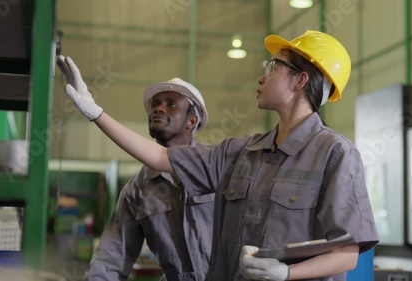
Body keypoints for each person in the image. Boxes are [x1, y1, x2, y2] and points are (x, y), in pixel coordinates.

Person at [57, 30, 379, 281]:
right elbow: (159, 158)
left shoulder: (336, 154)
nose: (261, 76)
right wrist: (95, 112)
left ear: (300, 80)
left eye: (272, 66)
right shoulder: (242, 152)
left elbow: (347, 253)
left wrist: (287, 273)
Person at [72, 76, 215, 281]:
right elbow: (111, 258)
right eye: (155, 105)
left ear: (192, 120)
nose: (158, 109)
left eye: (171, 104)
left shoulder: (215, 167)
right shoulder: (137, 191)